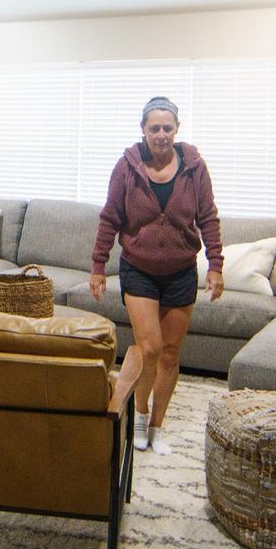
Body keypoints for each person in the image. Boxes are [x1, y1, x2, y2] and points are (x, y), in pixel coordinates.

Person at [90, 97, 223, 455]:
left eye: (167, 128)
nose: (161, 134)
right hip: (139, 269)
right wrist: (99, 266)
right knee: (149, 347)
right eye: (154, 128)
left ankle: (157, 427)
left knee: (170, 353)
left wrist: (215, 265)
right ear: (143, 131)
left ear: (176, 129)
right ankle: (139, 411)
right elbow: (110, 217)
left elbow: (208, 217)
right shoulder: (127, 167)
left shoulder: (194, 167)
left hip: (181, 272)